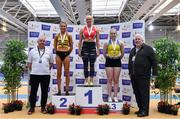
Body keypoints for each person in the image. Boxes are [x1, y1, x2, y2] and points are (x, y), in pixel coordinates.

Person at [128, 34, 157, 117]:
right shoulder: (133, 50)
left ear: (142, 40)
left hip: (144, 76)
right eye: (136, 39)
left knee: (144, 94)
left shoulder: (148, 49)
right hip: (134, 76)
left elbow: (154, 61)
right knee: (137, 93)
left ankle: (145, 111)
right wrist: (130, 72)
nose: (137, 40)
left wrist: (154, 74)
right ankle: (141, 108)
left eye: (138, 39)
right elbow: (130, 62)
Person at [27, 35, 53, 115]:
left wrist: (45, 70)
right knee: (33, 92)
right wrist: (35, 70)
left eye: (43, 41)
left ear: (45, 42)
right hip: (34, 74)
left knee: (44, 92)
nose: (42, 42)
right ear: (37, 42)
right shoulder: (32, 51)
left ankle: (43, 107)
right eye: (40, 41)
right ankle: (32, 108)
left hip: (45, 75)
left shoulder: (49, 51)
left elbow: (51, 63)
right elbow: (29, 64)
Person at [103, 28, 124, 102]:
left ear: (116, 34)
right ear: (110, 34)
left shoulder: (120, 43)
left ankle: (115, 96)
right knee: (109, 79)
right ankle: (109, 96)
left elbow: (122, 53)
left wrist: (118, 57)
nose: (113, 35)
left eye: (114, 33)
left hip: (117, 61)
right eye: (112, 33)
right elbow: (104, 53)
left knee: (116, 80)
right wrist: (109, 57)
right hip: (109, 61)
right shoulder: (106, 43)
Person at [78, 15, 100, 85]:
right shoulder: (82, 30)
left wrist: (98, 50)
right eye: (87, 19)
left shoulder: (96, 30)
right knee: (85, 65)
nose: (88, 20)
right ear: (85, 20)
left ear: (92, 20)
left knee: (92, 64)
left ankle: (91, 81)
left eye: (90, 19)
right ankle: (86, 81)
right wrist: (79, 50)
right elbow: (80, 41)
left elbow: (97, 41)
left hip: (92, 46)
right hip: (85, 46)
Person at [54, 21, 73, 95]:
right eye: (61, 26)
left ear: (66, 27)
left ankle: (67, 90)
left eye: (64, 26)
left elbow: (71, 46)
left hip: (66, 54)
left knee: (67, 72)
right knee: (59, 73)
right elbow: (55, 46)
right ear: (59, 27)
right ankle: (59, 90)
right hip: (58, 55)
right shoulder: (56, 36)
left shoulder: (69, 36)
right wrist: (58, 52)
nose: (63, 27)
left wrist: (67, 53)